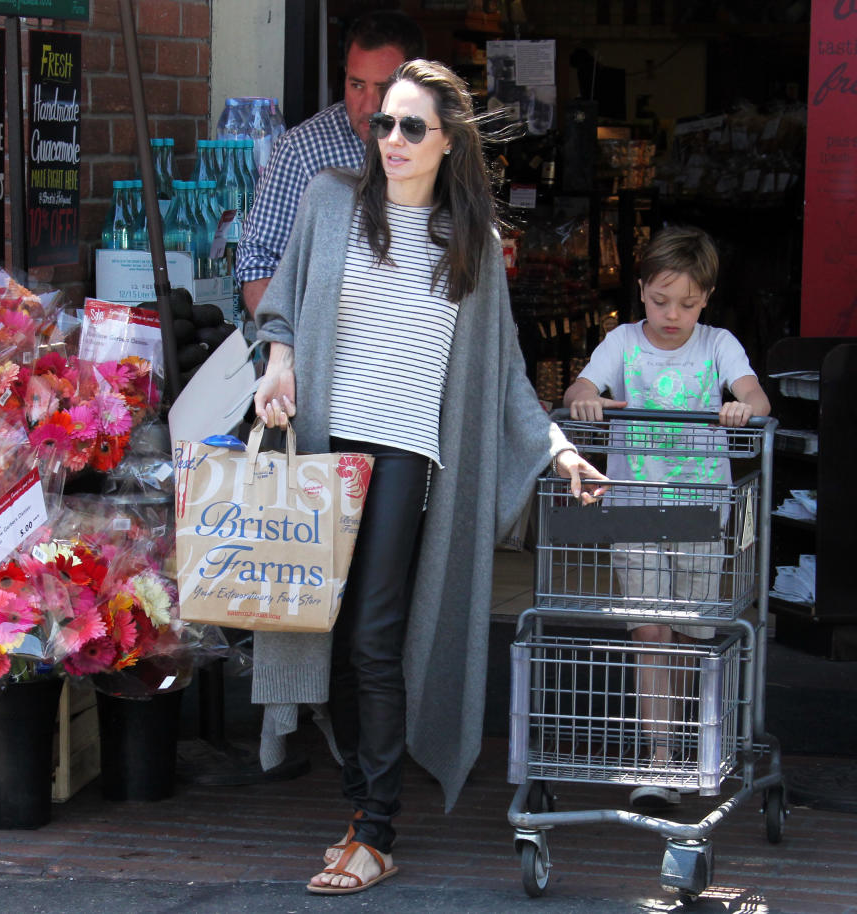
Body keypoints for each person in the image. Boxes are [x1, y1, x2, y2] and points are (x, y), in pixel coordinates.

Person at [252, 59, 608, 895]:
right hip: (321, 449)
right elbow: (282, 306)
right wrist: (278, 359)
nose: (394, 140)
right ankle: (357, 810)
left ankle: (377, 830)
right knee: (327, 629)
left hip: (408, 451)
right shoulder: (331, 202)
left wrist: (556, 448)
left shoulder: (471, 243)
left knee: (376, 630)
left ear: (449, 143)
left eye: (414, 127)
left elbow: (506, 375)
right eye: (383, 124)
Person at [563, 224, 771, 809]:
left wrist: (740, 406)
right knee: (650, 629)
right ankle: (658, 757)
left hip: (702, 512)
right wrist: (585, 396)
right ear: (641, 291)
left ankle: (677, 744)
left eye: (686, 302)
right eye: (660, 301)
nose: (672, 314)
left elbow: (757, 398)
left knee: (687, 633)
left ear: (706, 298)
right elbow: (584, 383)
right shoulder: (622, 341)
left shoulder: (718, 344)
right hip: (635, 505)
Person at [235, 9, 425, 316]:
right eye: (357, 85)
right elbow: (259, 260)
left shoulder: (440, 146)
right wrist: (290, 346)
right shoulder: (303, 150)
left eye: (384, 88)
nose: (368, 106)